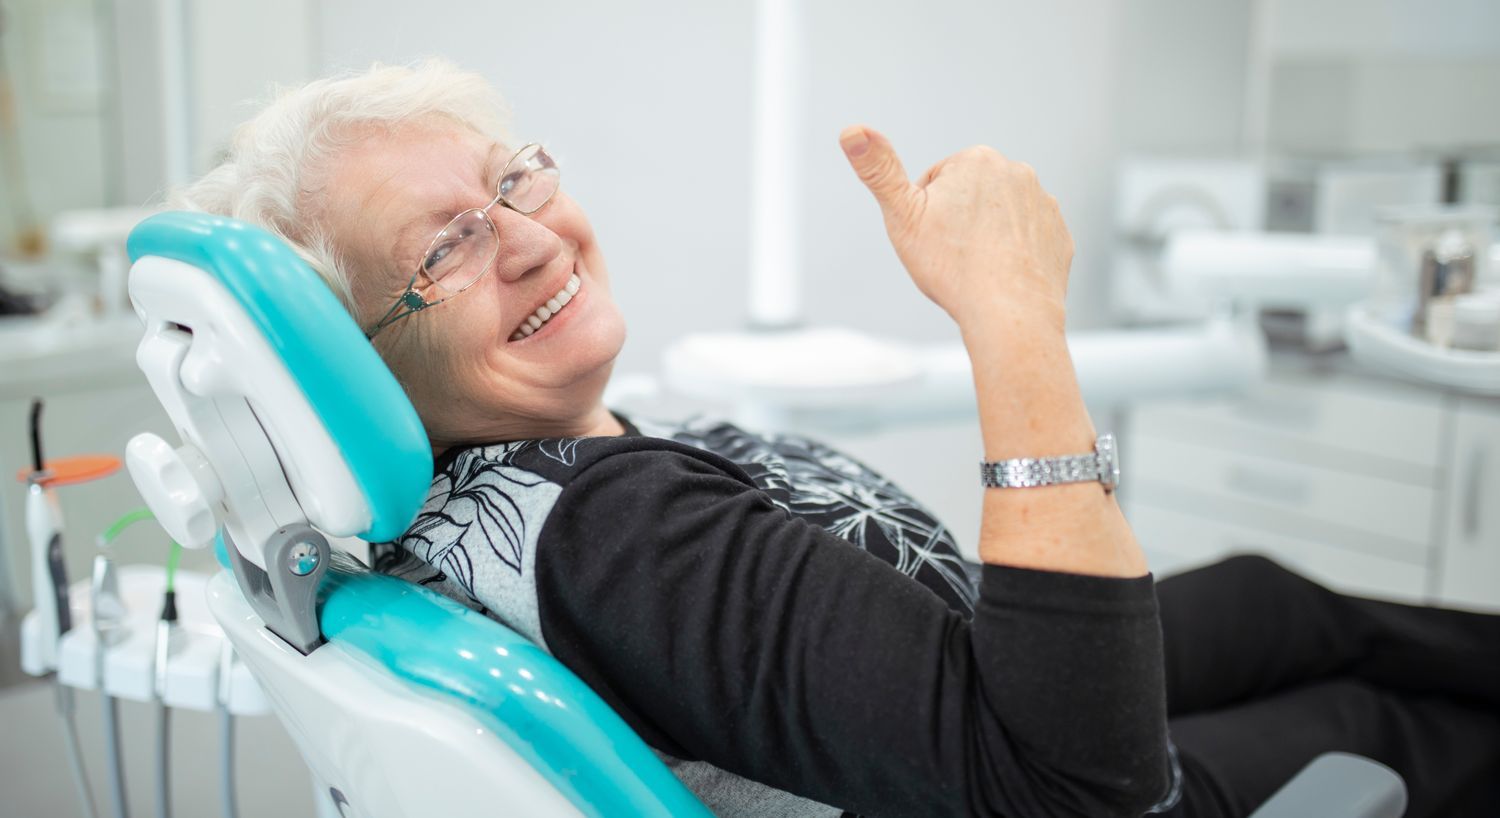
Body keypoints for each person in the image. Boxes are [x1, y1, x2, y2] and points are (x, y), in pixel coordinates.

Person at [175, 60, 1500, 817]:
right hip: (1049, 755)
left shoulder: (497, 499)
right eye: (446, 245)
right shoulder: (621, 537)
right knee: (1370, 718)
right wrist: (1011, 316)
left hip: (966, 657)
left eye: (509, 181)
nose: (529, 236)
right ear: (358, 357)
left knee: (1278, 596)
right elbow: (1076, 785)